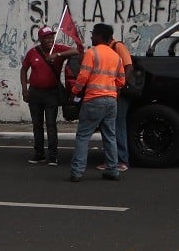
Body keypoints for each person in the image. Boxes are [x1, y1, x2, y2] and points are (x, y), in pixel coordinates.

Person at [69, 24, 125, 182]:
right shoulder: (116, 56)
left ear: (100, 36)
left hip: (93, 99)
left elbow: (83, 77)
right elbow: (121, 81)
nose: (91, 37)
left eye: (93, 34)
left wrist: (74, 92)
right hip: (111, 100)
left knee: (83, 136)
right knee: (110, 136)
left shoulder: (92, 53)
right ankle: (113, 170)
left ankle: (77, 172)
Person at [20, 26, 78, 166]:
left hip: (51, 93)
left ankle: (53, 156)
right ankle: (39, 154)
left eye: (51, 37)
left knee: (51, 125)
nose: (50, 40)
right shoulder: (33, 52)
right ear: (40, 39)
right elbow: (23, 70)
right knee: (37, 125)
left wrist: (58, 55)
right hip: (35, 93)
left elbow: (77, 50)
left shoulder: (58, 49)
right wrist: (24, 89)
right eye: (46, 38)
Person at [99, 35, 133, 173]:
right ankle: (113, 159)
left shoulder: (118, 46)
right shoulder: (106, 49)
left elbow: (129, 66)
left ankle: (121, 160)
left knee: (118, 126)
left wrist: (121, 87)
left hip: (119, 94)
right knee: (111, 127)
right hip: (110, 93)